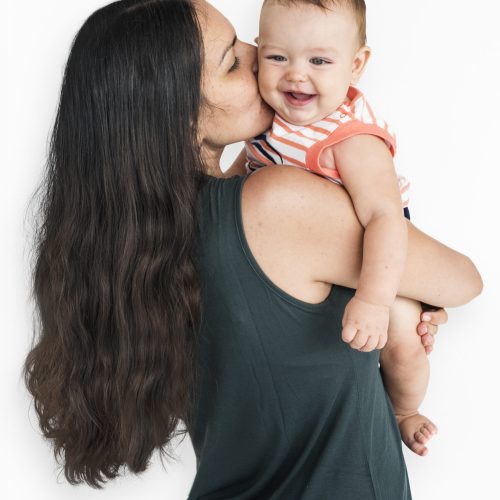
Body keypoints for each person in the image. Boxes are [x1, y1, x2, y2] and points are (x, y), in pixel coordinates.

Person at [23, 0, 482, 498]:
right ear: (182, 115)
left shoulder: (140, 247)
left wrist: (390, 286)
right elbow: (463, 280)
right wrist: (403, 294)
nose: (260, 55)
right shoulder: (277, 200)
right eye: (233, 61)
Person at [243, 0, 444, 458]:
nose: (296, 75)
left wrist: (375, 299)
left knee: (403, 336)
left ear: (356, 65)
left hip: (378, 247)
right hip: (312, 255)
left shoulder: (350, 137)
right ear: (258, 54)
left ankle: (404, 411)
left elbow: (384, 219)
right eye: (278, 57)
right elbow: (248, 166)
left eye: (319, 61)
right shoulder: (266, 119)